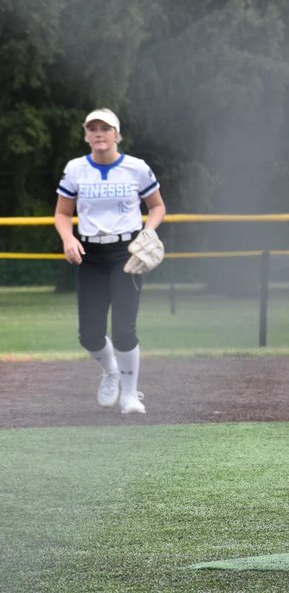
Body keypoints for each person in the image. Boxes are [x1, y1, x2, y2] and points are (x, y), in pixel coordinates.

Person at [54, 108, 166, 415]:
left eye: (106, 128)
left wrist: (147, 233)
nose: (99, 133)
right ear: (87, 135)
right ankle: (111, 372)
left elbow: (156, 206)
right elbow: (63, 213)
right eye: (93, 128)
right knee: (89, 334)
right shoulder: (76, 169)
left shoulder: (136, 168)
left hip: (125, 254)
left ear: (117, 135)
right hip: (90, 256)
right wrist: (68, 238)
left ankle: (130, 395)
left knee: (123, 330)